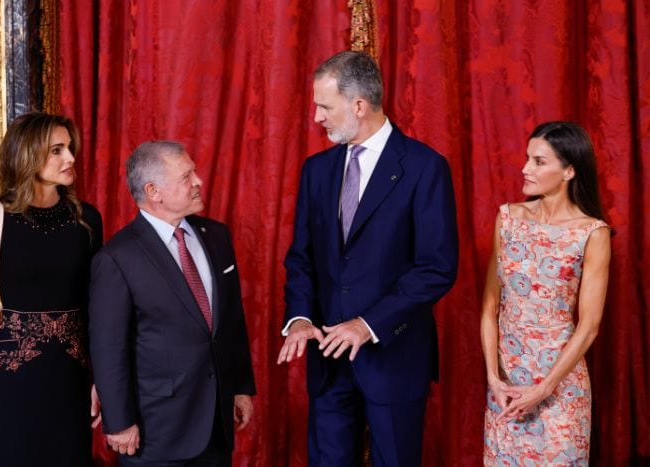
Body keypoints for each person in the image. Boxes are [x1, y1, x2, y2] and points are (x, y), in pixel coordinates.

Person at [277, 50, 459, 466]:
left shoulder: (424, 167)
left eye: (325, 106)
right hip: (327, 361)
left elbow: (437, 266)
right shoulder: (316, 170)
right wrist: (300, 317)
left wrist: (367, 324)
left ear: (359, 105)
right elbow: (301, 256)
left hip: (393, 358)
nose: (317, 117)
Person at [88, 141, 256, 467]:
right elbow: (109, 349)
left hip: (216, 425)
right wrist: (119, 421)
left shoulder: (217, 236)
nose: (198, 181)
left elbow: (231, 321)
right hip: (157, 431)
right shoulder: (118, 257)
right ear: (154, 191)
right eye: (186, 176)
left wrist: (239, 387)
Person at [0, 112, 103, 467]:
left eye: (69, 148)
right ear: (27, 155)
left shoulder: (87, 219)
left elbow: (97, 308)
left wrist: (101, 380)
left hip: (70, 375)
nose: (70, 159)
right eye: (56, 150)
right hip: (10, 379)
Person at [480, 121, 611, 464]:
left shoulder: (591, 233)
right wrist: (494, 378)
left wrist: (543, 388)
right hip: (506, 389)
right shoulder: (508, 218)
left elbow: (589, 326)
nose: (525, 168)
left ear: (569, 170)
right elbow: (490, 307)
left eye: (539, 162)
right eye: (527, 158)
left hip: (560, 390)